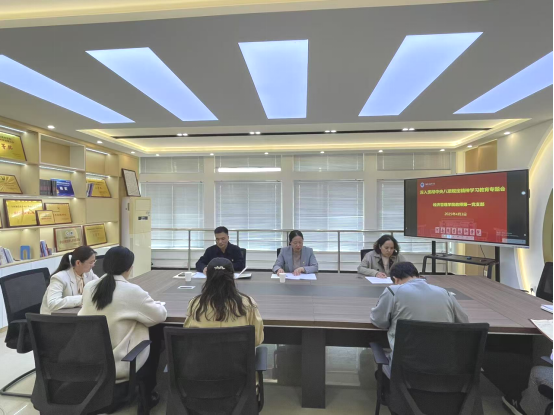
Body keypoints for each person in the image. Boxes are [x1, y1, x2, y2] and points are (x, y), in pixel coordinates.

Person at [79, 246, 167, 410]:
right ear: (129, 268)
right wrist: (158, 305)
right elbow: (159, 316)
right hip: (122, 363)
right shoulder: (132, 291)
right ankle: (147, 394)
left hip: (91, 360)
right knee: (154, 331)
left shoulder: (90, 287)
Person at [370, 261, 469, 359]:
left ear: (395, 279)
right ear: (418, 276)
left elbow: (379, 322)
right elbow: (463, 321)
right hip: (443, 362)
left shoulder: (393, 291)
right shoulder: (445, 293)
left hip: (406, 362)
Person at [185, 257, 264, 347]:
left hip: (202, 355)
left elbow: (188, 337)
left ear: (207, 276)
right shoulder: (247, 304)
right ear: (232, 277)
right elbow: (257, 339)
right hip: (238, 356)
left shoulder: (195, 304)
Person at [40, 246, 99, 315]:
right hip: (53, 317)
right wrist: (83, 298)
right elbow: (53, 303)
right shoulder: (59, 278)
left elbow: (99, 285)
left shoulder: (88, 272)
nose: (93, 265)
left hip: (75, 313)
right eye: (91, 262)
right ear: (78, 263)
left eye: (94, 261)